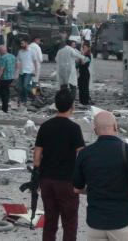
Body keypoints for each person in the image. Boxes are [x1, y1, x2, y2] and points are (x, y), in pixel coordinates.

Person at [73, 111, 128, 241]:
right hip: (122, 221)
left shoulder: (85, 154)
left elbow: (76, 188)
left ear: (95, 130)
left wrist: (93, 189)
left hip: (95, 222)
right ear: (115, 126)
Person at [33, 89, 85, 241]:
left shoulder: (45, 126)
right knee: (69, 223)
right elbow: (81, 155)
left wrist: (37, 175)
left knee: (50, 222)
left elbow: (36, 156)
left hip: (47, 181)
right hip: (67, 181)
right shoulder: (74, 128)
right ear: (72, 106)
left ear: (55, 105)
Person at [15, 38, 37, 105]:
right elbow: (18, 62)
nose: (21, 45)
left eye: (22, 43)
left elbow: (35, 61)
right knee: (21, 87)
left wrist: (35, 71)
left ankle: (35, 93)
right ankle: (23, 100)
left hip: (29, 71)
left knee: (25, 86)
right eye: (21, 44)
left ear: (26, 43)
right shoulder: (20, 52)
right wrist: (16, 72)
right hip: (21, 71)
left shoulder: (32, 51)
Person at [0, 45, 16, 112]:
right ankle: (5, 105)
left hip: (5, 78)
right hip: (11, 77)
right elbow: (17, 64)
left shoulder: (2, 58)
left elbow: (1, 68)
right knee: (5, 91)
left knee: (2, 91)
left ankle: (5, 108)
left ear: (0, 51)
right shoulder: (12, 56)